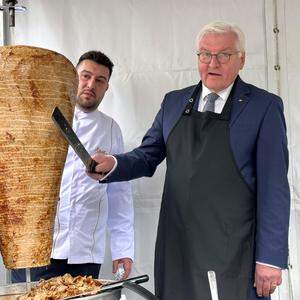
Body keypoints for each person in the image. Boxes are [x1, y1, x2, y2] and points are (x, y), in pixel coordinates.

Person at [88, 22, 290, 300]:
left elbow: (274, 187)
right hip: (178, 246)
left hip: (233, 249)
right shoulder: (174, 102)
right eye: (205, 54)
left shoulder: (263, 107)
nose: (212, 62)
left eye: (224, 55)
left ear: (241, 59)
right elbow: (147, 156)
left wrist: (270, 258)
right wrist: (114, 164)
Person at [12, 51, 134, 282]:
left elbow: (120, 197)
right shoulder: (39, 119)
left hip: (85, 254)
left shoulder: (111, 130)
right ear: (73, 77)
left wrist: (123, 250)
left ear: (107, 87)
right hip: (38, 250)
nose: (90, 85)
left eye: (100, 80)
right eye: (85, 76)